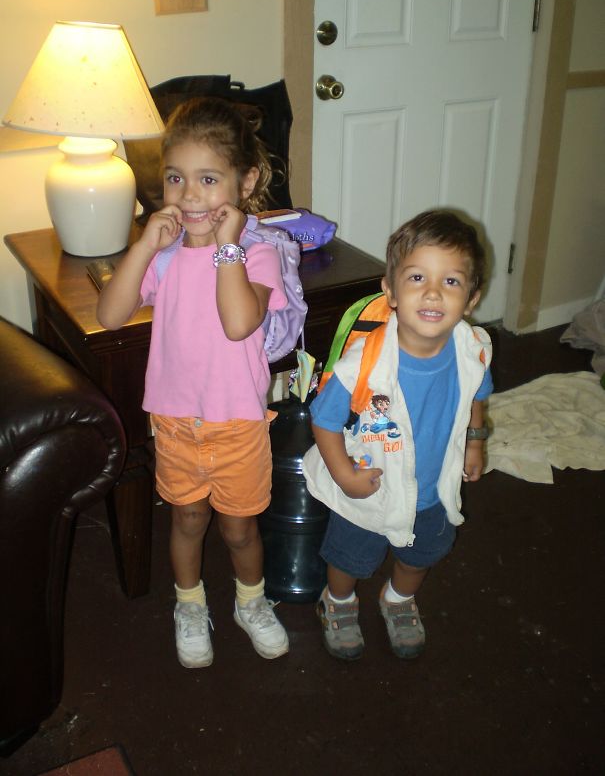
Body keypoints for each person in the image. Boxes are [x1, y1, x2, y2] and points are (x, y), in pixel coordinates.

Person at [97, 97, 289, 667]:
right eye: (176, 179)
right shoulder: (163, 258)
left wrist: (226, 246)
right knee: (186, 518)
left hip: (237, 424)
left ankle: (250, 602)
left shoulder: (257, 253)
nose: (190, 195)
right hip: (177, 421)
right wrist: (144, 246)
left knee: (238, 528)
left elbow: (238, 323)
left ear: (245, 180)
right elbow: (110, 315)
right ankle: (188, 604)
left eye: (209, 179)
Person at [303, 210, 493, 660]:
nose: (432, 292)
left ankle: (399, 600)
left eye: (451, 282)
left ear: (471, 298)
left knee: (421, 554)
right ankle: (338, 602)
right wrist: (345, 474)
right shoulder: (363, 364)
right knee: (350, 559)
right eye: (416, 278)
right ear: (389, 291)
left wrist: (477, 439)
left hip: (432, 488)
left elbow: (477, 393)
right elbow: (324, 420)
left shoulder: (473, 348)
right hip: (370, 485)